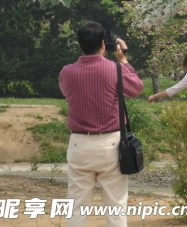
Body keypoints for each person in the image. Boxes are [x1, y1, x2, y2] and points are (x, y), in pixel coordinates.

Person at [58, 22, 144, 227]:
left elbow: (66, 92)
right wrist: (123, 61)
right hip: (112, 145)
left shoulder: (67, 72)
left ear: (80, 45)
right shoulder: (115, 69)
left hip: (79, 143)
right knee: (115, 205)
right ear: (104, 45)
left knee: (77, 205)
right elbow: (136, 89)